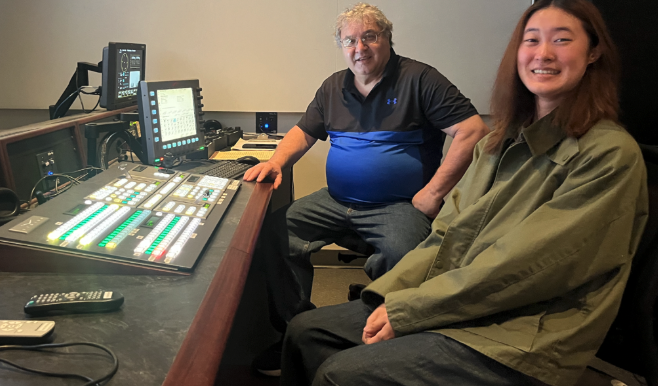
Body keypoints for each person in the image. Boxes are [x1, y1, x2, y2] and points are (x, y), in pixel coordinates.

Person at [281, 0, 649, 385]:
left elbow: (522, 267)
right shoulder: (502, 140)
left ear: (593, 52)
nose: (543, 53)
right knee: (307, 334)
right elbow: (447, 234)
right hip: (458, 301)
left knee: (339, 374)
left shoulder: (608, 154)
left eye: (561, 40)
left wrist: (410, 310)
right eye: (531, 40)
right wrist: (391, 295)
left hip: (520, 335)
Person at [244, 3, 489, 375]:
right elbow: (304, 132)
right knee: (277, 232)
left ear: (387, 39)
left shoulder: (420, 79)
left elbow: (472, 130)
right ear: (342, 46)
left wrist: (434, 192)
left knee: (403, 252)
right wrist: (277, 161)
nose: (360, 48)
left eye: (369, 37)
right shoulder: (333, 86)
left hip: (397, 206)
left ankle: (380, 347)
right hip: (336, 200)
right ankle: (295, 331)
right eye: (350, 40)